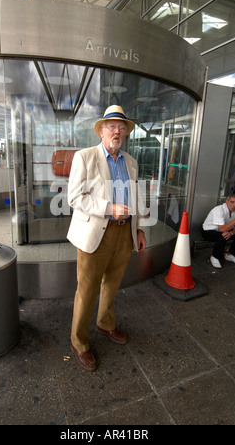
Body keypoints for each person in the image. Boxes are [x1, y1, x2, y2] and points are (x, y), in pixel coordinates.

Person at [67, 105, 147, 372]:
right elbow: (74, 198)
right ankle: (78, 342)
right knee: (87, 288)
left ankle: (105, 323)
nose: (117, 131)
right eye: (111, 126)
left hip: (124, 232)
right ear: (101, 131)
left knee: (112, 283)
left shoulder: (131, 162)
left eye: (121, 127)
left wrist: (139, 229)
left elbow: (138, 198)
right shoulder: (85, 157)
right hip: (95, 233)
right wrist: (108, 208)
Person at [201, 193, 235, 269]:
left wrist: (231, 233)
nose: (234, 205)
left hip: (224, 230)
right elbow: (222, 229)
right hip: (208, 231)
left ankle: (230, 255)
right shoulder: (219, 210)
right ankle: (215, 257)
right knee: (223, 235)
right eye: (232, 202)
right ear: (227, 202)